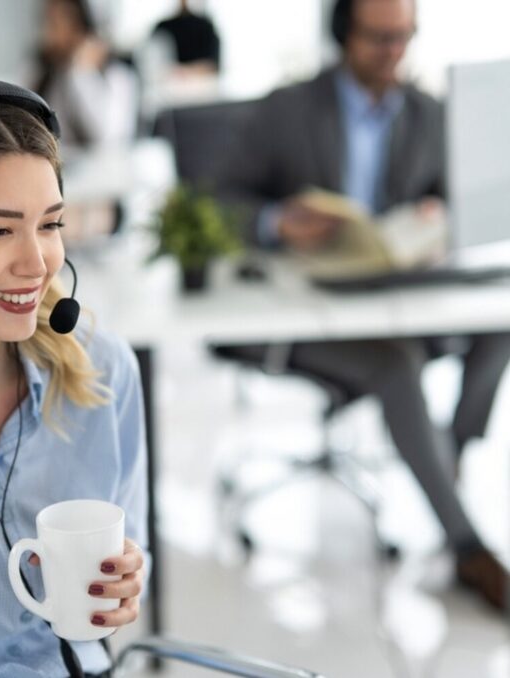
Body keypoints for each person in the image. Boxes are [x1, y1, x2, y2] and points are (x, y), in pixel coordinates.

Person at [217, 0, 509, 611]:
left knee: (500, 322)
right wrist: (275, 221)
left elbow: (452, 198)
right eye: (379, 39)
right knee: (396, 364)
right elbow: (216, 199)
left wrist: (440, 220)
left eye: (404, 38)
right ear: (344, 36)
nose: (394, 53)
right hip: (307, 306)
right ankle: (468, 549)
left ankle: (450, 453)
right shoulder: (288, 108)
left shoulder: (429, 113)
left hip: (395, 291)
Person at [0, 75, 147, 677]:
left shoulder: (103, 372)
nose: (38, 263)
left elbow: (126, 550)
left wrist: (123, 583)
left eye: (49, 224)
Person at [32, 0, 138, 147]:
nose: (50, 32)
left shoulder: (116, 76)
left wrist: (82, 72)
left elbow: (103, 137)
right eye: (48, 21)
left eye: (57, 22)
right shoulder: (42, 71)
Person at [150, 0, 221, 76]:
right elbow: (151, 62)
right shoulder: (163, 27)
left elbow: (213, 64)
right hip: (168, 83)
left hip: (202, 82)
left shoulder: (206, 27)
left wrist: (186, 71)